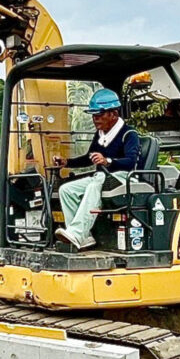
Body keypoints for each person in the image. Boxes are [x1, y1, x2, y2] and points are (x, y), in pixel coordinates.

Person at [52, 89, 140, 250]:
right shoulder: (99, 135)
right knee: (66, 190)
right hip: (102, 177)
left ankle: (77, 233)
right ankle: (83, 237)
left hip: (125, 177)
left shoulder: (129, 134)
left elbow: (130, 162)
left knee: (95, 184)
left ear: (113, 114)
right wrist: (67, 162)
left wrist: (107, 161)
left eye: (99, 114)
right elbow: (89, 158)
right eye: (93, 115)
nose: (95, 118)